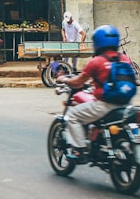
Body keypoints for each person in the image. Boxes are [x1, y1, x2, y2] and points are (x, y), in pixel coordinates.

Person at [57, 25, 134, 158]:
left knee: (73, 116)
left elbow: (77, 82)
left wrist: (64, 79)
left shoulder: (96, 61)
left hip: (104, 105)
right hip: (125, 104)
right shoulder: (124, 59)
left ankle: (80, 150)